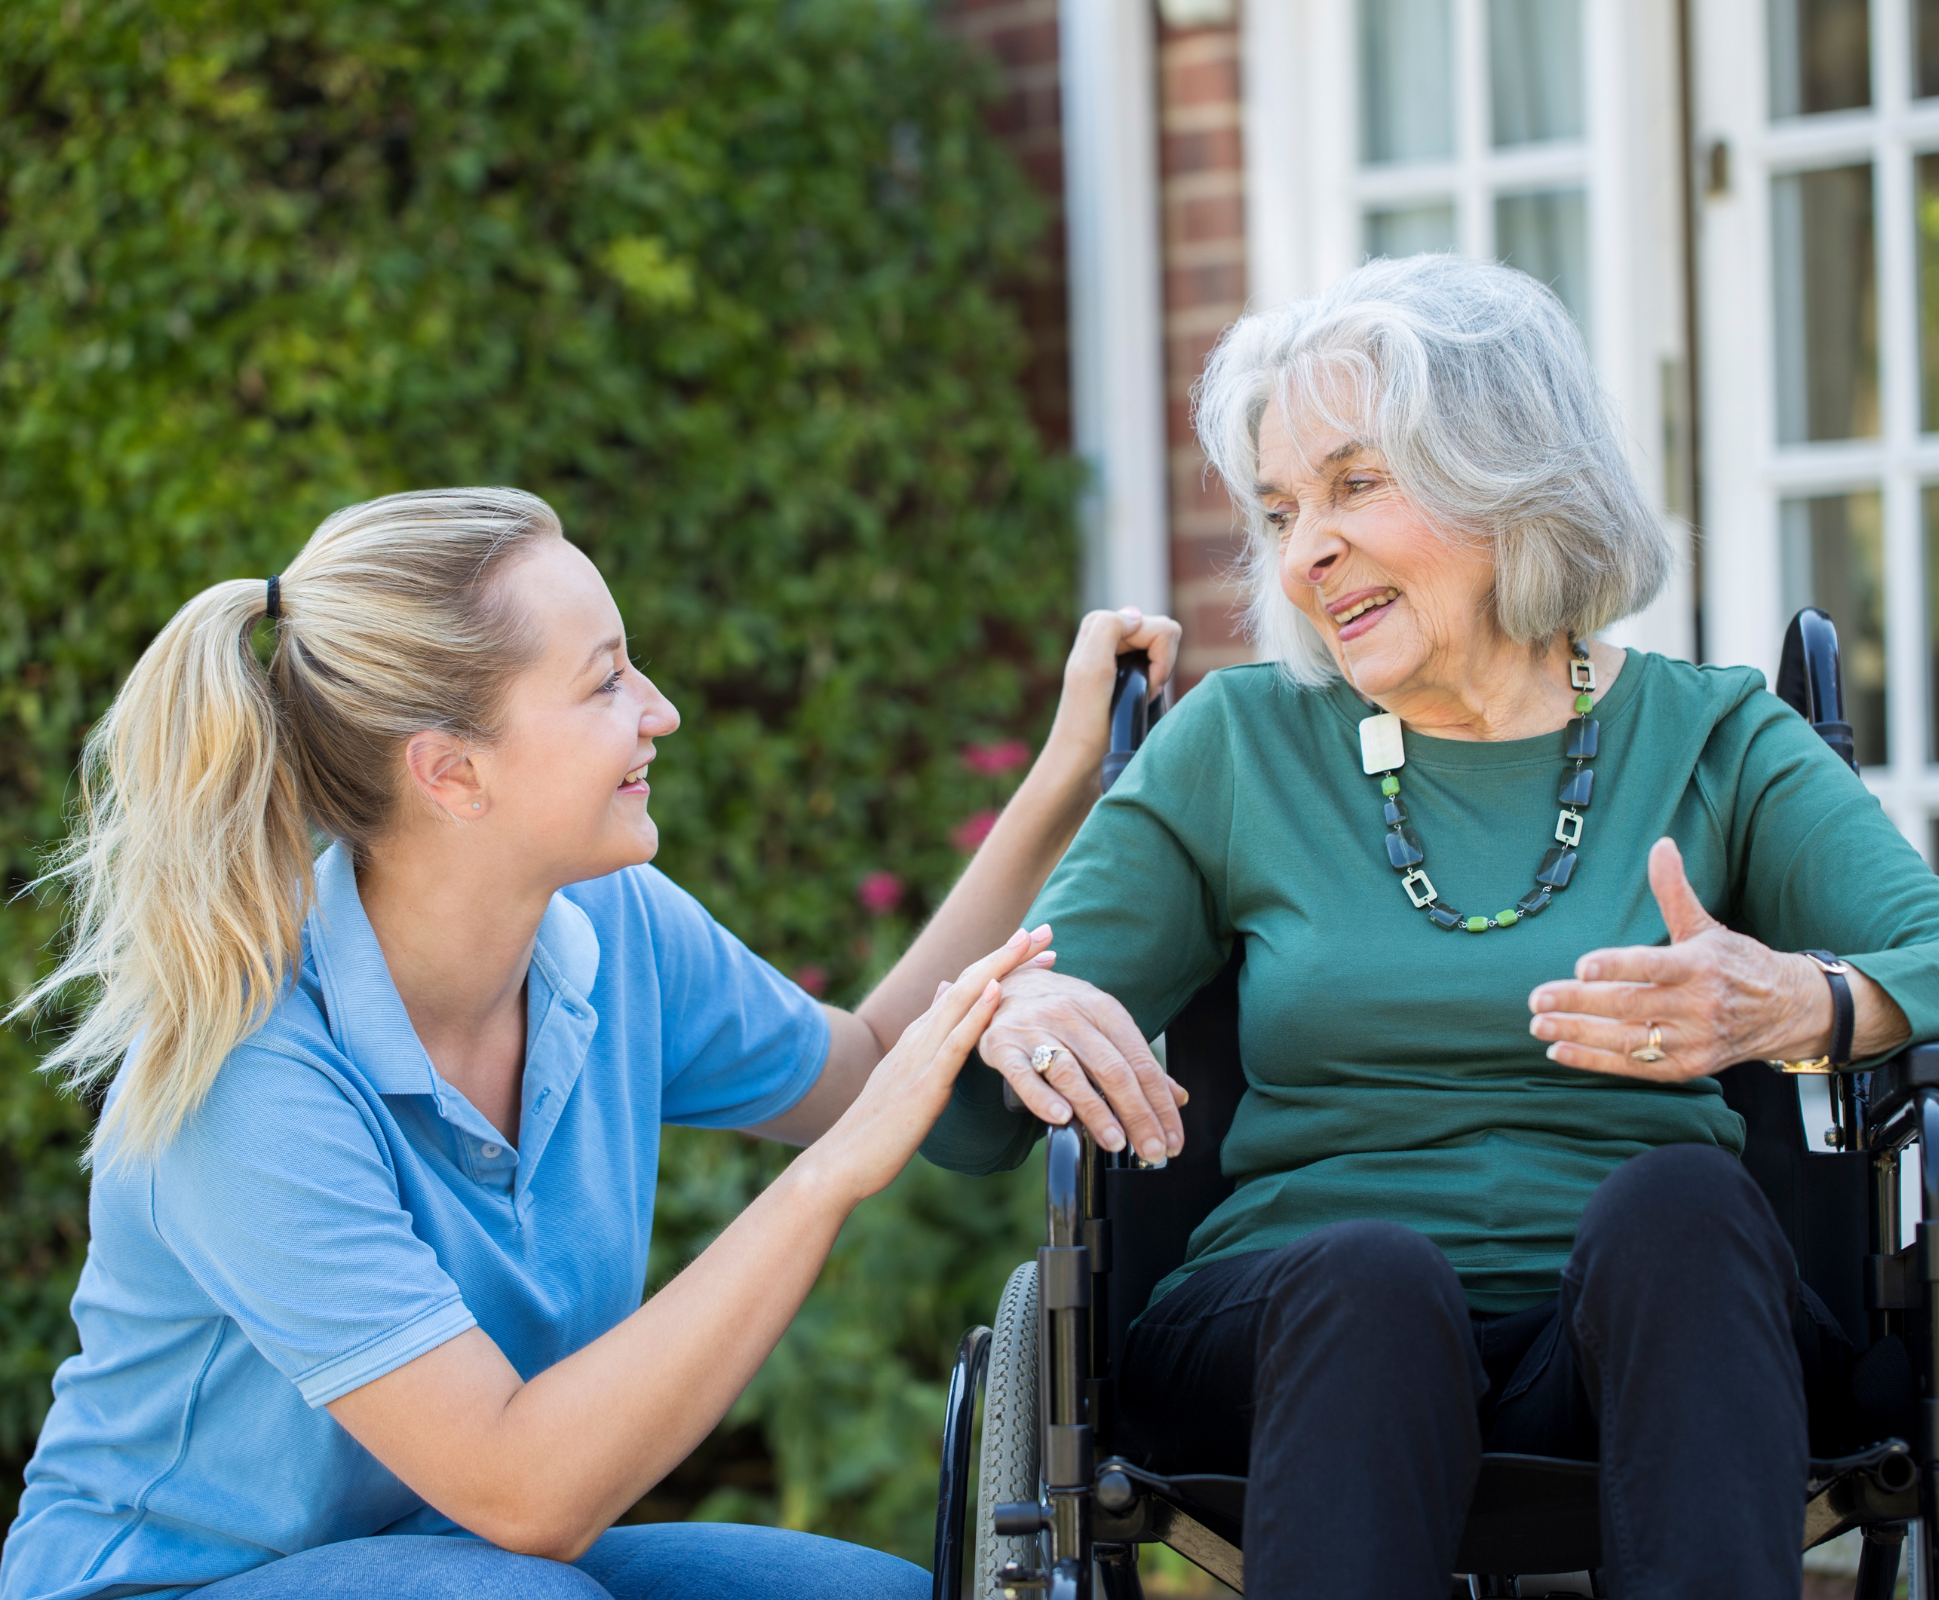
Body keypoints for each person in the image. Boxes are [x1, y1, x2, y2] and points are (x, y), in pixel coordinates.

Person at [920, 253, 1939, 1597]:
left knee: (1685, 1206)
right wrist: (1014, 1021)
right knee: (1373, 1281)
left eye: (1357, 485)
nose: (1305, 552)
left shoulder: (1713, 732)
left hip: (1650, 1348)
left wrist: (1812, 1004)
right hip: (1295, 1347)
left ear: (1509, 474)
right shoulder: (1240, 747)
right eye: (1278, 510)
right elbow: (965, 1122)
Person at [0, 487, 1180, 1600]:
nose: (659, 709)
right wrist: (828, 1179)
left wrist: (1066, 771)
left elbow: (868, 1066)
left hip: (463, 1560)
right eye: (605, 680)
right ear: (451, 772)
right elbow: (526, 1494)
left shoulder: (609, 930)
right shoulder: (247, 1074)